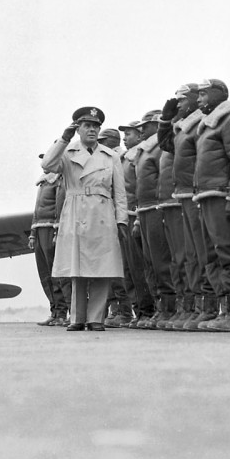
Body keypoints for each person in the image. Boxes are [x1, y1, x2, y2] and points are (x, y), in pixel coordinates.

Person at [41, 107, 128, 331]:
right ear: (77, 129)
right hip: (75, 212)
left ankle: (96, 318)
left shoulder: (111, 156)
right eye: (87, 126)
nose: (92, 130)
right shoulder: (68, 153)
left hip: (102, 213)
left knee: (102, 268)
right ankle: (77, 318)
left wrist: (122, 220)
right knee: (76, 268)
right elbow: (47, 165)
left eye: (95, 126)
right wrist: (63, 138)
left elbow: (120, 192)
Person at [193, 78, 230, 331]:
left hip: (219, 195)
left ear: (217, 95)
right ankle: (223, 307)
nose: (199, 99)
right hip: (205, 196)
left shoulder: (228, 121)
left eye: (204, 94)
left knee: (228, 252)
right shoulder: (206, 126)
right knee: (211, 256)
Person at [157, 83, 207, 330]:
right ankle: (191, 306)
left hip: (195, 193)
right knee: (188, 255)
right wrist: (165, 120)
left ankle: (203, 306)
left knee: (199, 253)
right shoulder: (182, 128)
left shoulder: (200, 124)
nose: (177, 104)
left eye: (181, 100)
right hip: (183, 194)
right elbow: (167, 145)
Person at [132, 109, 177, 327]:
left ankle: (170, 308)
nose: (140, 130)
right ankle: (160, 308)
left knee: (162, 262)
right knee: (150, 263)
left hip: (158, 208)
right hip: (145, 210)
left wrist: (161, 207)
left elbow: (164, 178)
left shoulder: (159, 147)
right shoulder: (143, 151)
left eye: (145, 126)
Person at [120, 118, 156, 326]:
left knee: (142, 267)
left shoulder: (137, 157)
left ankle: (147, 311)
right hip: (127, 216)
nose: (126, 138)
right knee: (131, 269)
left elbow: (141, 188)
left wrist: (135, 215)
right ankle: (140, 311)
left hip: (136, 214)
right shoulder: (126, 159)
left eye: (130, 134)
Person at [30, 156, 70, 326]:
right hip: (39, 228)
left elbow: (59, 207)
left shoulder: (59, 181)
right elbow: (36, 211)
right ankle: (54, 310)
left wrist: (56, 231)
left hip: (50, 228)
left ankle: (61, 312)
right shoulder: (43, 183)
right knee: (44, 273)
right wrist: (32, 233)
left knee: (55, 273)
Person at [98, 127, 132, 328]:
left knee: (121, 267)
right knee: (108, 268)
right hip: (105, 219)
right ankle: (115, 310)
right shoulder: (106, 160)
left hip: (119, 218)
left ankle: (125, 311)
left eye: (103, 140)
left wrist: (122, 220)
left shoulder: (120, 159)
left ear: (112, 141)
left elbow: (121, 193)